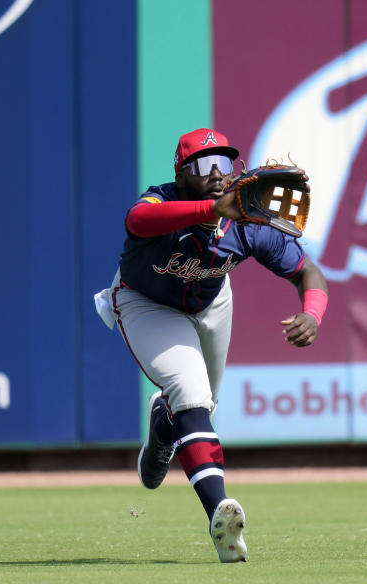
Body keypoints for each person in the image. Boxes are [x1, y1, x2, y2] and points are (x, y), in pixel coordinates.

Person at [94, 127, 329, 563]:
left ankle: (164, 426)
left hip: (211, 301)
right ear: (181, 174)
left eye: (225, 164)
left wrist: (312, 313)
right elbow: (136, 221)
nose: (218, 174)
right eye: (205, 166)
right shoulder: (160, 201)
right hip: (146, 302)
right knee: (192, 393)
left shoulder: (246, 221)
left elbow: (308, 273)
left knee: (203, 405)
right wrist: (208, 208)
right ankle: (219, 515)